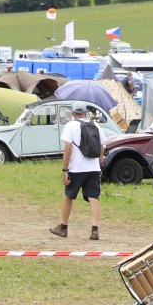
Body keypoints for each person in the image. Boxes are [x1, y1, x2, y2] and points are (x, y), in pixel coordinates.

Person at [51, 104, 103, 242]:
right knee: (93, 197)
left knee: (69, 196)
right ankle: (95, 229)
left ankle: (63, 228)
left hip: (76, 169)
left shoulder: (70, 126)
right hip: (94, 168)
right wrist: (99, 163)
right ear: (85, 113)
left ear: (73, 113)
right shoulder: (96, 125)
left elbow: (68, 149)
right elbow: (102, 147)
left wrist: (65, 170)